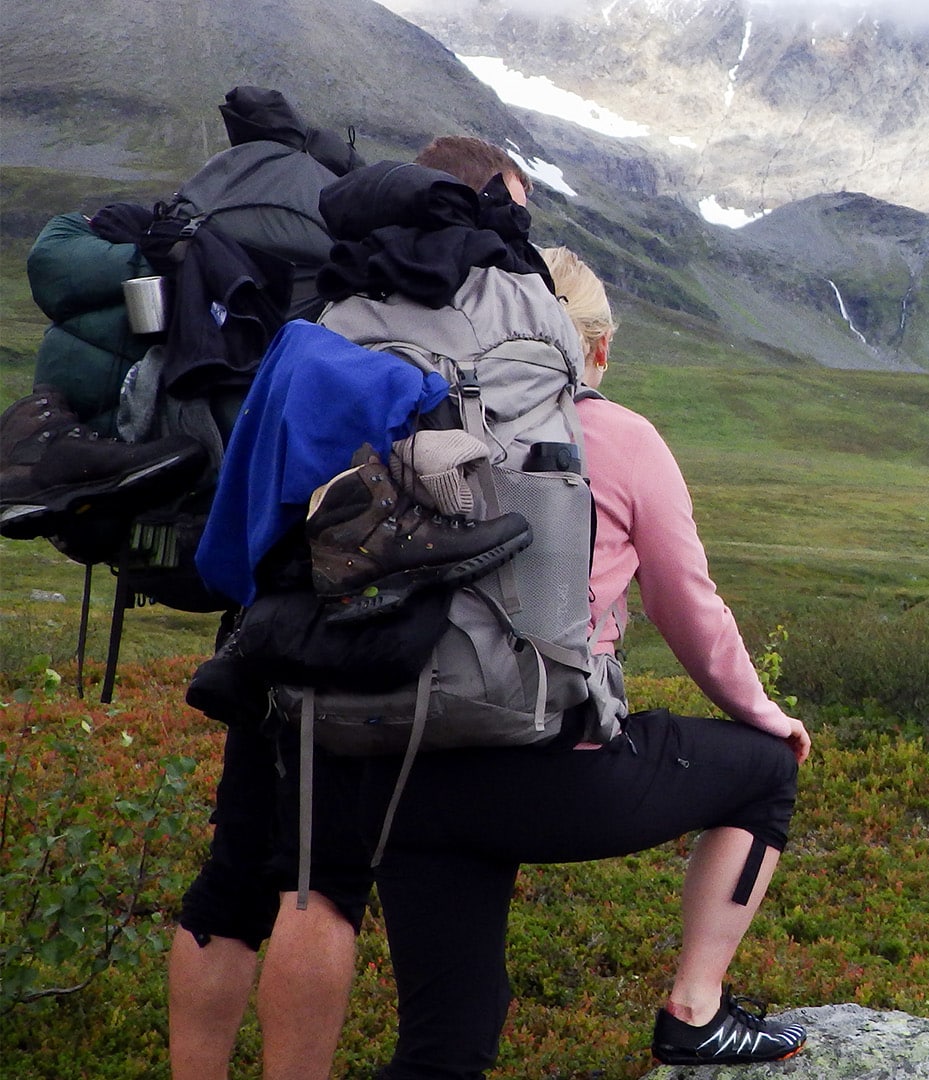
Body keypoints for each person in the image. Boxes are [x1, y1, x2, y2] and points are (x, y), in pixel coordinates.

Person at [332, 245, 811, 1078]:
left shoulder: (409, 420)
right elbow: (686, 606)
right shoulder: (621, 437)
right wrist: (766, 714)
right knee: (764, 771)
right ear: (590, 346)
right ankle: (696, 1011)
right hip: (554, 770)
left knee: (445, 1045)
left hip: (402, 765)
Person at [167, 137, 540, 1080]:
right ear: (480, 195)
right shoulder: (470, 305)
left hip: (263, 625)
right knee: (319, 887)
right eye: (514, 209)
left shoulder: (332, 293)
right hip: (356, 621)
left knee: (233, 879)